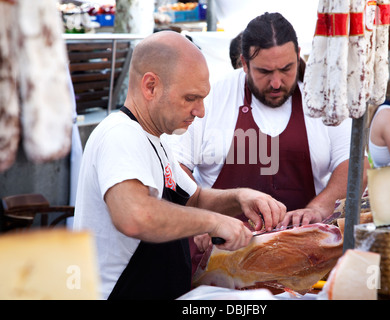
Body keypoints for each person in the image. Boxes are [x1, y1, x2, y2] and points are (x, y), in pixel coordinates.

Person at [73, 31, 287, 300]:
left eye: (202, 98)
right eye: (190, 98)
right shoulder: (120, 135)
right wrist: (214, 222)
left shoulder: (154, 140)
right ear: (150, 86)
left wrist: (241, 198)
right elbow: (134, 215)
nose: (201, 111)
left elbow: (193, 199)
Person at [164, 13, 368, 270]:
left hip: (303, 266)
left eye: (286, 69)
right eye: (264, 71)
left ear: (298, 56)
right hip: (218, 267)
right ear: (244, 64)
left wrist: (318, 209)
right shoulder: (214, 98)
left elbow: (354, 165)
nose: (276, 82)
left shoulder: (323, 100)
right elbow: (175, 169)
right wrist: (201, 220)